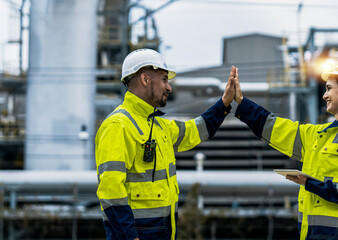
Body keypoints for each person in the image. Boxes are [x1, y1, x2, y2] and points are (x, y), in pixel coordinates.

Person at [95, 48, 237, 240]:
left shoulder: (159, 126)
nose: (169, 87)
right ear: (145, 79)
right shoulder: (118, 126)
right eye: (163, 79)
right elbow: (111, 191)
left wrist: (224, 103)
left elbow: (196, 130)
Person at [232, 60, 338, 240]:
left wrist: (314, 185)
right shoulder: (317, 135)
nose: (325, 95)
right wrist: (241, 102)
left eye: (329, 88)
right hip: (312, 233)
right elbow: (277, 128)